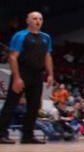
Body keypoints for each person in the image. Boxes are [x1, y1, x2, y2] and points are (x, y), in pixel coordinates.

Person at [0, 12, 53, 144]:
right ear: (28, 21)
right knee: (11, 104)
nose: (38, 21)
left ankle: (27, 136)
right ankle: (1, 134)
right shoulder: (20, 35)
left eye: (40, 19)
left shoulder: (46, 37)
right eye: (34, 18)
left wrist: (50, 74)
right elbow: (13, 57)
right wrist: (17, 78)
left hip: (37, 75)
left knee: (34, 106)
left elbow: (47, 56)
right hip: (22, 72)